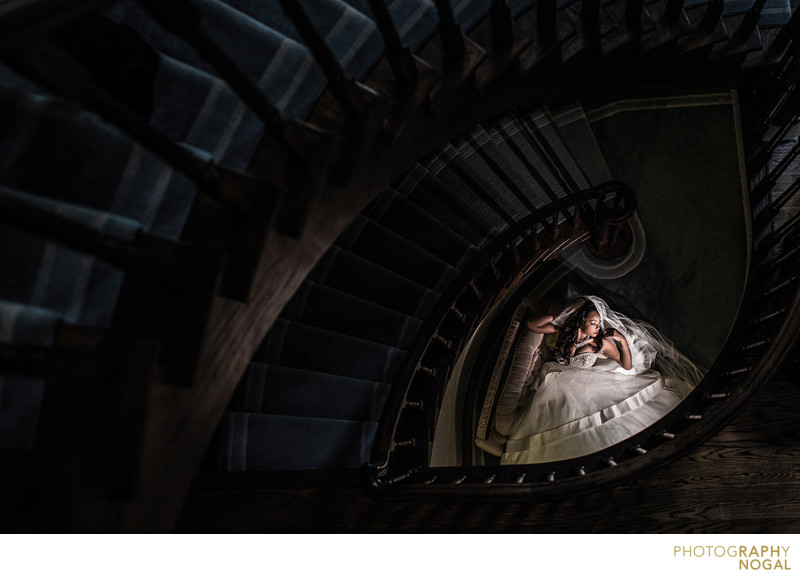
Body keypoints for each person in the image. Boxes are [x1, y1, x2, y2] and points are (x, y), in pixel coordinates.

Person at [500, 295, 704, 465]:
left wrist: (622, 341)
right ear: (581, 321)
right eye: (593, 323)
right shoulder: (563, 332)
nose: (598, 327)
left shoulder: (600, 343)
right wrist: (563, 317)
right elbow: (531, 325)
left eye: (598, 322)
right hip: (559, 378)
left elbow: (626, 365)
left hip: (588, 381)